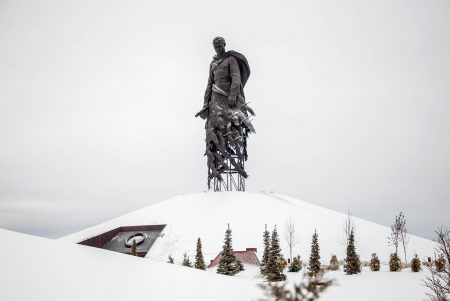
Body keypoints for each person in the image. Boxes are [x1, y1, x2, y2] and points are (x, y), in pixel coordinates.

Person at [196, 37, 255, 188]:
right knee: (215, 133)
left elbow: (236, 78)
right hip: (216, 101)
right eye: (215, 46)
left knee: (232, 129)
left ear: (224, 45)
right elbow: (209, 85)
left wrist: (233, 95)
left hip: (229, 98)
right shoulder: (213, 64)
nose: (217, 47)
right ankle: (219, 161)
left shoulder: (230, 60)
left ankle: (233, 155)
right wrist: (205, 104)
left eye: (219, 45)